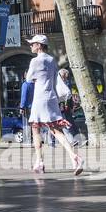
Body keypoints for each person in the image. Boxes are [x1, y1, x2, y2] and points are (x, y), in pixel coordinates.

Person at [25, 35, 84, 175]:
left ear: (39, 45)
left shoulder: (35, 61)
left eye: (33, 44)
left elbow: (28, 79)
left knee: (35, 129)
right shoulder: (52, 60)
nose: (31, 46)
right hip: (51, 98)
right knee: (56, 130)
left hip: (39, 98)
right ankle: (74, 157)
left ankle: (39, 162)